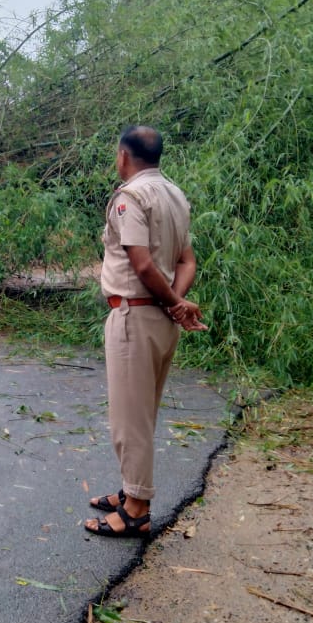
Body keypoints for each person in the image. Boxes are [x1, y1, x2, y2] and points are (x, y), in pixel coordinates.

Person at [85, 124, 207, 539]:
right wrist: (176, 300)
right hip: (160, 321)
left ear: (123, 155)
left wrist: (173, 303)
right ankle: (128, 492)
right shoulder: (174, 195)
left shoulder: (131, 198)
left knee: (128, 418)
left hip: (135, 318)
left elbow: (140, 264)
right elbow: (188, 261)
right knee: (142, 412)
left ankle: (135, 509)